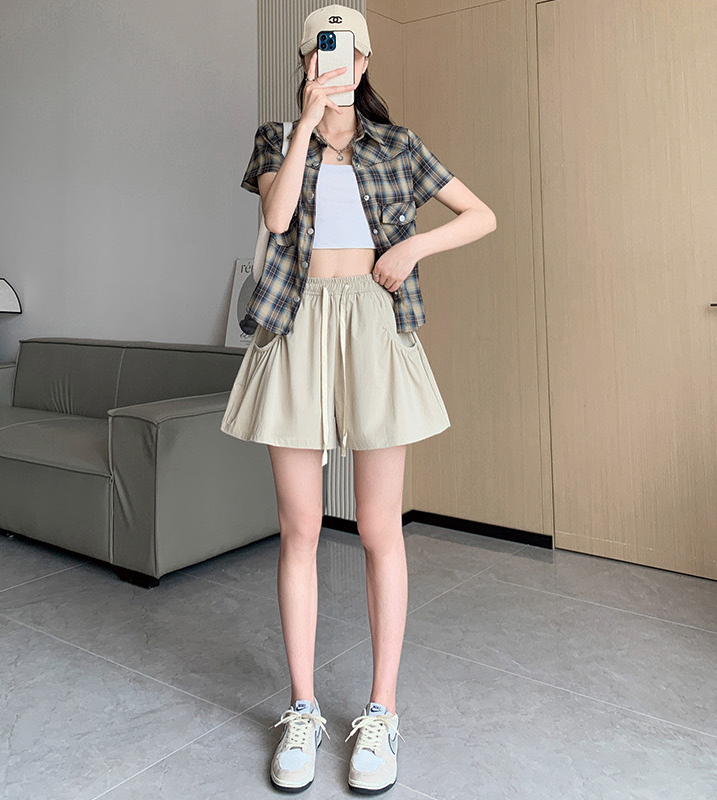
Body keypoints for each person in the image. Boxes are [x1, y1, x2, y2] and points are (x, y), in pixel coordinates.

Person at [220, 3, 496, 794]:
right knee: (301, 528)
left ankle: (381, 711)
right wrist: (307, 124)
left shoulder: (399, 145)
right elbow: (276, 218)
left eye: (342, 51)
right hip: (297, 322)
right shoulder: (277, 137)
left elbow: (481, 215)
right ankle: (303, 708)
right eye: (318, 50)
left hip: (374, 324)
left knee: (379, 528)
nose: (331, 62)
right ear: (306, 60)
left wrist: (413, 245)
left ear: (365, 61)